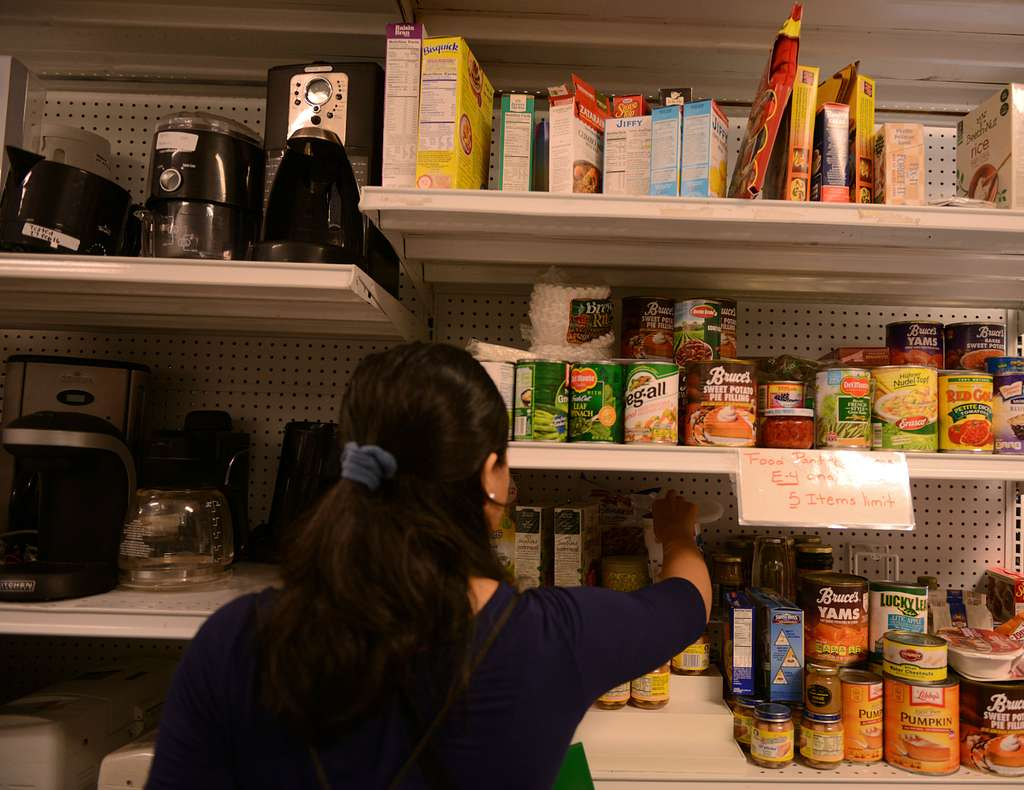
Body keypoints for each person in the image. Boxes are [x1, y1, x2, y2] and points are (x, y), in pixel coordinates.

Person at [147, 342, 711, 789]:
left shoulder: (236, 639)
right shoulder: (553, 639)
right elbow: (687, 603)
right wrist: (677, 534)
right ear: (491, 474)